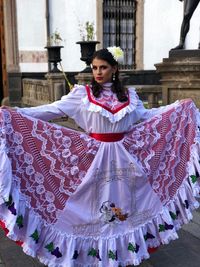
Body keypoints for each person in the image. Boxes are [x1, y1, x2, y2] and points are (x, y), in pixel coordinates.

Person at [0, 46, 200, 267]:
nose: (97, 72)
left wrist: (177, 108)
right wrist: (16, 113)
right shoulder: (81, 95)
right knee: (90, 204)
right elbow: (52, 110)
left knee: (125, 205)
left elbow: (147, 116)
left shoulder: (129, 96)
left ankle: (120, 252)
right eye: (94, 67)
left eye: (103, 67)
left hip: (124, 158)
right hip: (93, 157)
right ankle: (92, 252)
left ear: (114, 69)